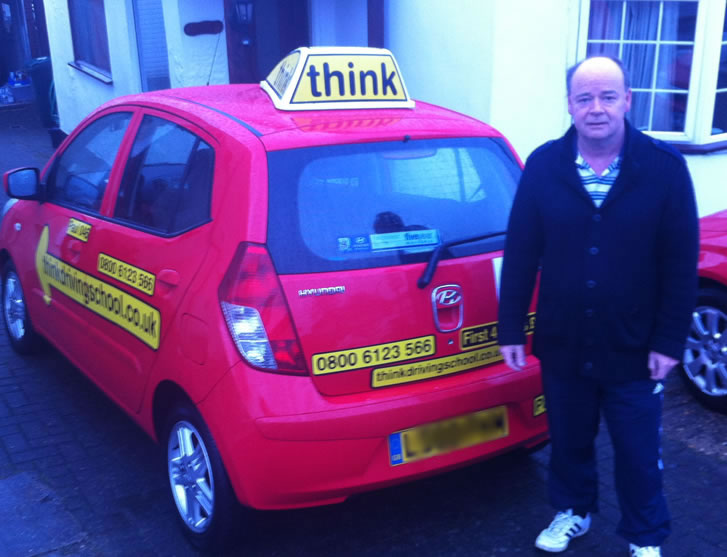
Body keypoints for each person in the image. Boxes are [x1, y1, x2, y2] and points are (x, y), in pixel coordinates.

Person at [497, 56, 698, 556]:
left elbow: (680, 263)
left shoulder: (664, 168)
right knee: (568, 440)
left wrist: (669, 341)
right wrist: (510, 328)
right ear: (569, 105)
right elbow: (521, 251)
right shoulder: (544, 166)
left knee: (637, 450)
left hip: (636, 346)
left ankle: (645, 536)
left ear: (627, 100)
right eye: (584, 98)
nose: (596, 108)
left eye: (608, 96)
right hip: (563, 340)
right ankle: (574, 510)